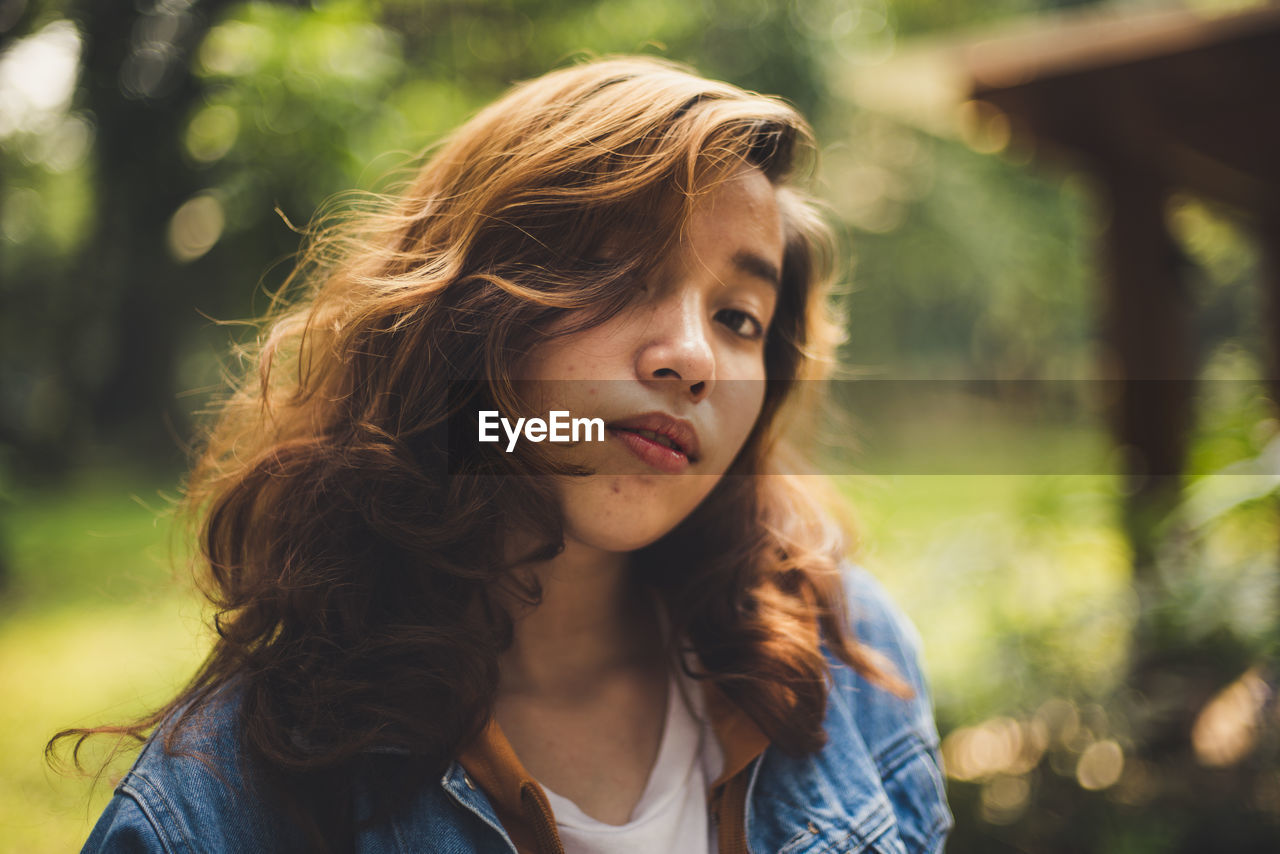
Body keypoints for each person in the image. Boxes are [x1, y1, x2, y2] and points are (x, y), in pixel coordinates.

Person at [59, 56, 952, 853]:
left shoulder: (843, 655)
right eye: (623, 274)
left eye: (738, 319)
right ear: (462, 310)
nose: (692, 357)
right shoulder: (227, 799)